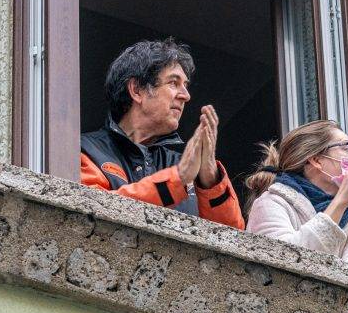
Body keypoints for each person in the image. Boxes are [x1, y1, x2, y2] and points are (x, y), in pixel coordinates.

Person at [80, 39, 245, 229]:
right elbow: (91, 215)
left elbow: (232, 239)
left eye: (185, 85)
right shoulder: (88, 151)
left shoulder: (188, 168)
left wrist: (210, 179)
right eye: (174, 83)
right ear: (137, 90)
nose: (186, 95)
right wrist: (177, 180)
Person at [245, 120, 348, 270]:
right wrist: (341, 201)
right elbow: (286, 261)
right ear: (316, 160)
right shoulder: (271, 203)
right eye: (346, 147)